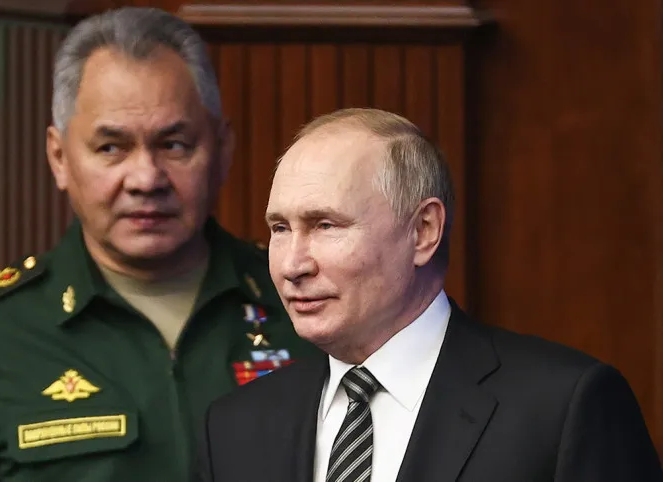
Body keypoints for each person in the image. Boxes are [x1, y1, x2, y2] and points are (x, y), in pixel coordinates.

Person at [0, 7, 318, 482]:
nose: (145, 179)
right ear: (59, 157)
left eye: (174, 144)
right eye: (111, 148)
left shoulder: (306, 308)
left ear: (222, 150)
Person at [195, 108, 663, 482]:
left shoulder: (562, 408)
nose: (292, 265)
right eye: (280, 228)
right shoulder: (236, 426)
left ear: (423, 231)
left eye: (325, 225)